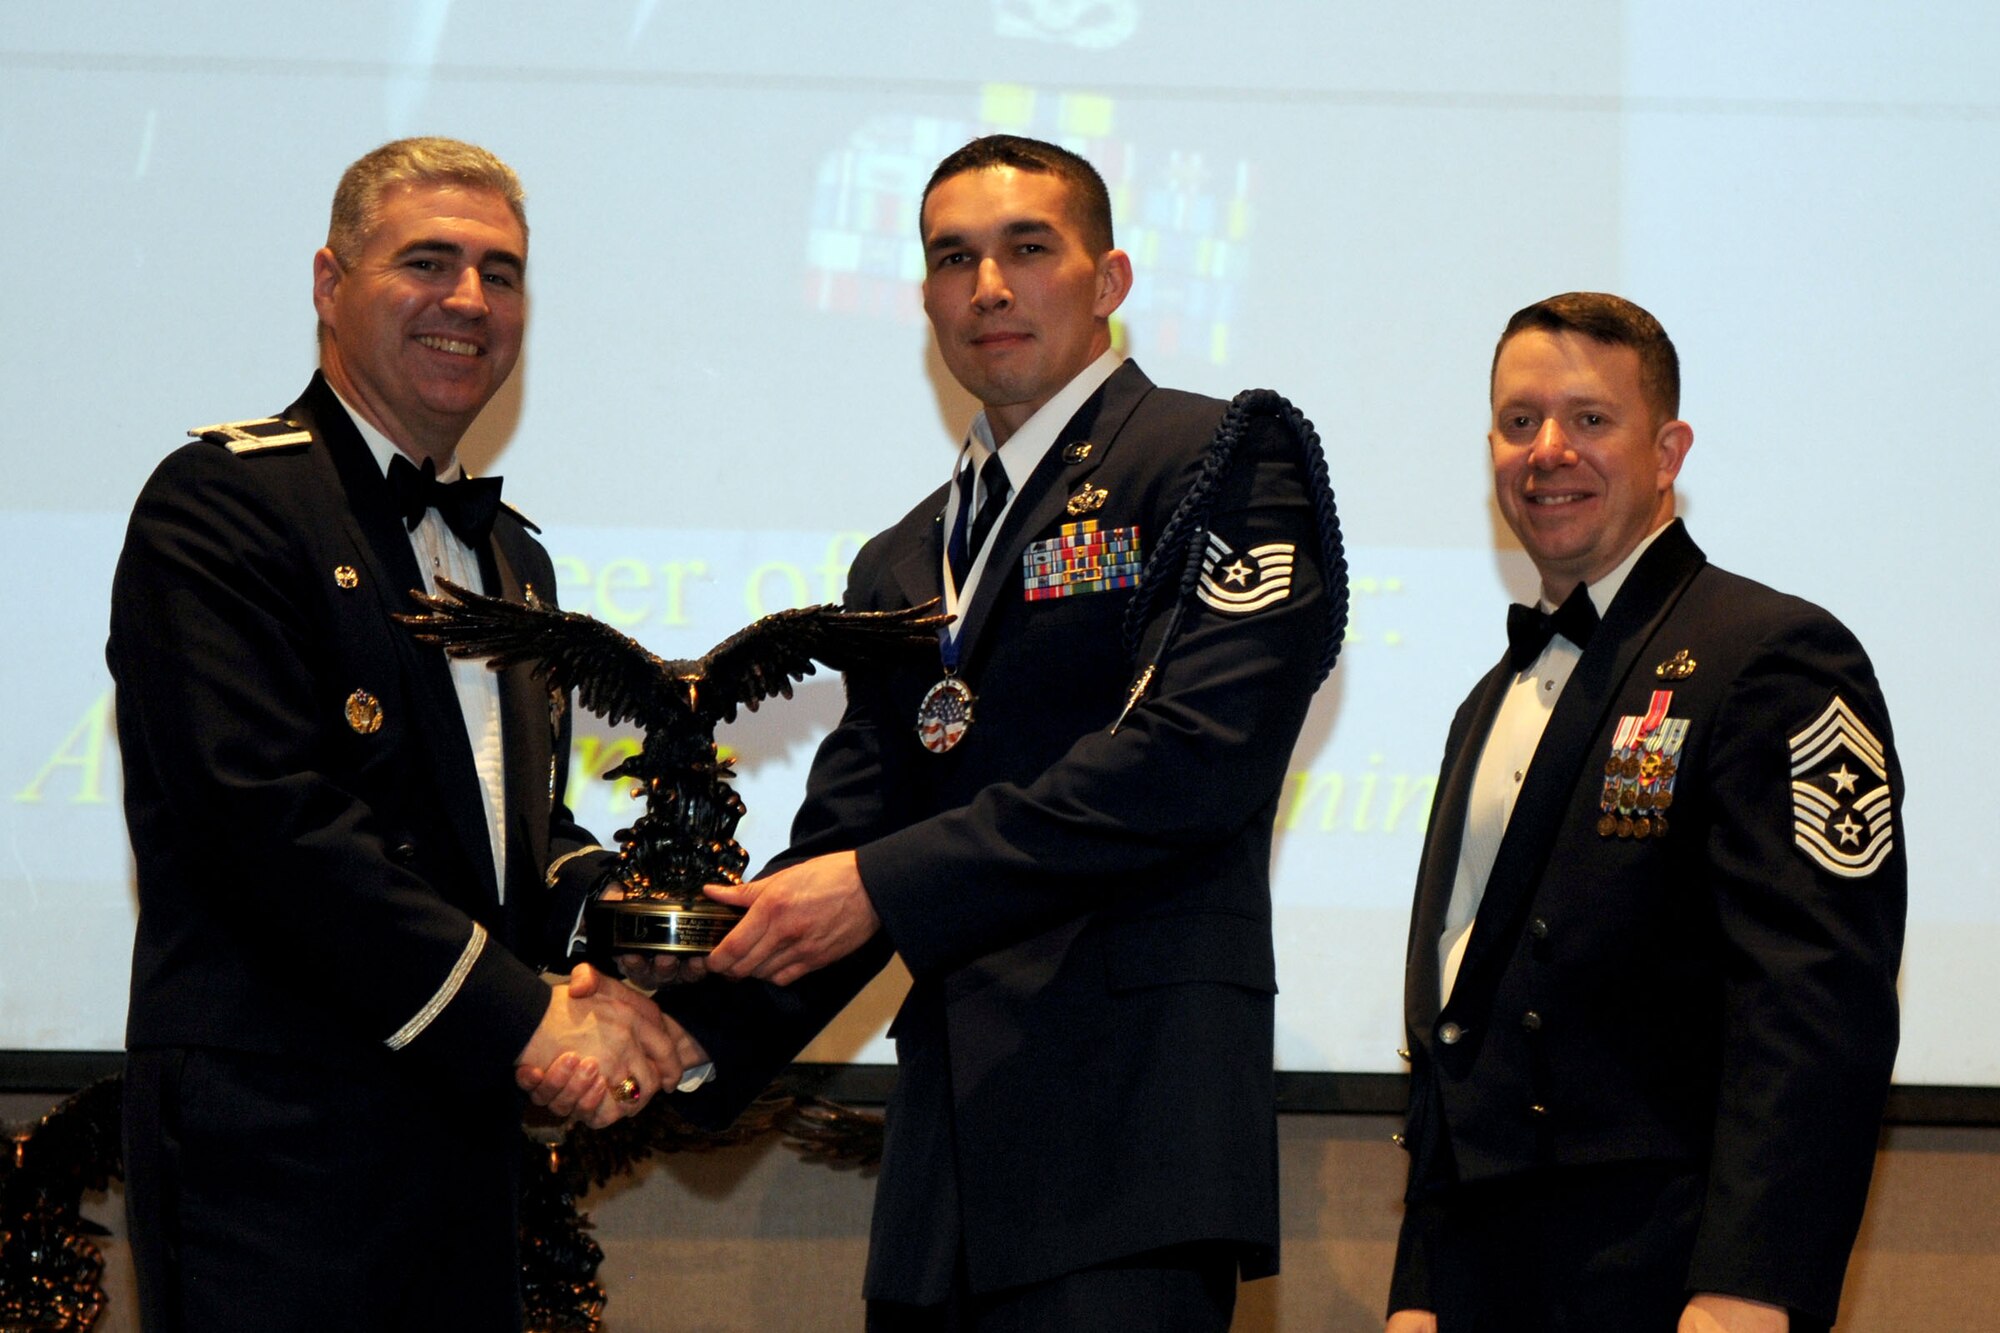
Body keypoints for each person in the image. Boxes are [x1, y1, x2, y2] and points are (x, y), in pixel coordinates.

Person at [645, 135, 1344, 1330]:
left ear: (1108, 279)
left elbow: (1193, 759)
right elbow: (847, 842)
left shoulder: (1214, 457)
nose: (987, 286)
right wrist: (675, 1033)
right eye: (951, 258)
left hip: (1128, 1149)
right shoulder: (903, 554)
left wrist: (878, 883)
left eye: (1027, 248)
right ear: (923, 299)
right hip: (944, 1173)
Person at [108, 136, 697, 1332]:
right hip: (276, 1156)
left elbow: (509, 834)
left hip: (457, 1156)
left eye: (500, 273)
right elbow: (271, 826)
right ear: (330, 284)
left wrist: (641, 928)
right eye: (427, 262)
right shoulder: (224, 505)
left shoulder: (510, 558)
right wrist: (533, 1015)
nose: (468, 300)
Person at [1387, 293, 1905, 1333]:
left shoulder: (1770, 655)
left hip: (1669, 1274)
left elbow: (1812, 1001)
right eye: (1520, 420)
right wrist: (1418, 1291)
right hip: (1482, 1275)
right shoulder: (1484, 704)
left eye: (1589, 418)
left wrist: (1750, 1287)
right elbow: (1461, 1016)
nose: (1548, 450)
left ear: (1667, 451)